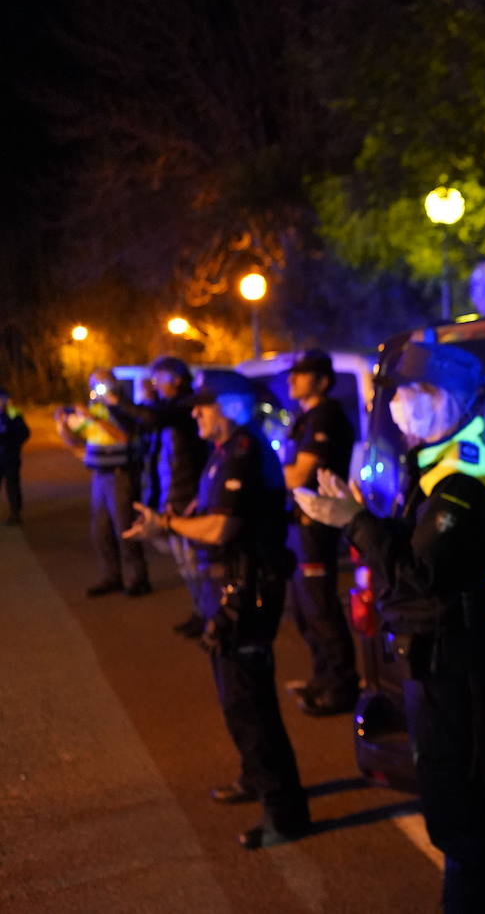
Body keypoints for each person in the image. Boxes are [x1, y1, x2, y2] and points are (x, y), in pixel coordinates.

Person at [295, 341, 485, 913]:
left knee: (459, 820)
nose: (396, 404)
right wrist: (357, 517)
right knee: (447, 811)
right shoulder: (438, 463)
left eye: (407, 392)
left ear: (444, 399)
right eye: (393, 393)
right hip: (431, 657)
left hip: (452, 661)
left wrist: (356, 521)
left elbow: (419, 573)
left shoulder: (467, 475)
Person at [124, 371, 309, 849]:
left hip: (246, 594)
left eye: (203, 405)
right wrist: (167, 527)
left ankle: (283, 815)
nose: (193, 412)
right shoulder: (224, 453)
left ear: (228, 405)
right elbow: (204, 523)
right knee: (236, 699)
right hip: (229, 591)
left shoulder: (244, 453)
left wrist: (168, 523)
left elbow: (222, 529)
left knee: (251, 705)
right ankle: (256, 778)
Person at [280, 349, 359, 715]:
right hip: (301, 523)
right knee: (304, 607)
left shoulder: (325, 416)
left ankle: (341, 686)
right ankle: (322, 677)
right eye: (292, 373)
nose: (292, 379)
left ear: (322, 380)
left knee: (320, 607)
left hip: (317, 526)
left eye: (302, 373)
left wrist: (263, 473)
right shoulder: (306, 417)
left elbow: (298, 476)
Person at [106, 357, 209, 634]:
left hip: (186, 492)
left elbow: (152, 418)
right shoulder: (165, 407)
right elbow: (138, 425)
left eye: (159, 377)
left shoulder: (186, 404)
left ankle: (208, 614)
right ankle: (200, 611)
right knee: (182, 560)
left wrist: (121, 401)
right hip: (169, 492)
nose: (154, 383)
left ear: (177, 378)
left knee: (193, 560)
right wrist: (113, 407)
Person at [55, 369, 150, 597]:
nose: (97, 387)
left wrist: (94, 418)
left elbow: (124, 436)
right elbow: (75, 440)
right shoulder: (94, 410)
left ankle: (139, 579)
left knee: (125, 528)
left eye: (101, 382)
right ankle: (112, 577)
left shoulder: (123, 408)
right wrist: (62, 425)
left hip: (121, 475)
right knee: (101, 530)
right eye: (93, 383)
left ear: (113, 383)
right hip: (99, 476)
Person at [0, 385, 29, 525]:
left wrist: (13, 445)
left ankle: (15, 515)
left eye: (3, 399)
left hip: (10, 456)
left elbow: (25, 433)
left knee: (12, 486)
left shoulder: (13, 414)